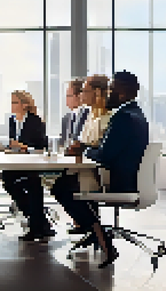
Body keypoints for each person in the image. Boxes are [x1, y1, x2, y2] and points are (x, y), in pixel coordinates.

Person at [60, 70, 149, 268]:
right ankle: (97, 232)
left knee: (62, 188)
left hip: (119, 180)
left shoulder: (123, 117)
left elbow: (105, 155)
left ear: (123, 93)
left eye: (112, 90)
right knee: (66, 184)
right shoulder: (137, 114)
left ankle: (100, 236)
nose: (108, 94)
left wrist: (84, 149)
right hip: (130, 177)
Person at [0, 90, 54, 241]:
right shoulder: (13, 120)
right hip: (17, 163)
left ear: (25, 105)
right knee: (7, 180)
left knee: (33, 184)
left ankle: (37, 225)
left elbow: (42, 147)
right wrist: (3, 147)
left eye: (15, 102)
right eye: (11, 102)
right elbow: (15, 145)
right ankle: (40, 223)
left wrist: (24, 147)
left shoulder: (35, 121)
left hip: (33, 164)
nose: (12, 106)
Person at [52, 76, 111, 234]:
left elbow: (99, 148)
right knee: (60, 186)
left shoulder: (107, 117)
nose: (81, 95)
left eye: (84, 91)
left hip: (98, 172)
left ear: (97, 92)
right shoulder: (91, 115)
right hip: (86, 168)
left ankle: (95, 231)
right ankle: (92, 228)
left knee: (61, 188)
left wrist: (83, 148)